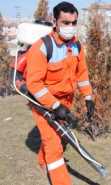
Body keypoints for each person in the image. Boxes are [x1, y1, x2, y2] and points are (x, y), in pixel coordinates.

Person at [26, 2, 95, 184]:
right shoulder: (41, 48)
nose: (70, 27)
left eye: (74, 23)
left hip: (66, 101)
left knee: (61, 137)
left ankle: (42, 160)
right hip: (43, 104)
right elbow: (34, 84)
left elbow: (82, 74)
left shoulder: (76, 46)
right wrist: (55, 106)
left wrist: (88, 97)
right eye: (66, 22)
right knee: (54, 145)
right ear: (54, 21)